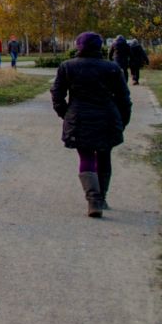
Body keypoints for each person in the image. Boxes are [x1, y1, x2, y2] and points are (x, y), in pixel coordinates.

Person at [51, 31, 133, 217]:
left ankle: (93, 200)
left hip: (80, 117)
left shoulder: (67, 67)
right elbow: (123, 98)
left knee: (86, 156)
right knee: (104, 156)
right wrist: (122, 120)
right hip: (107, 117)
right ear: (100, 46)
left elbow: (57, 94)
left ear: (78, 46)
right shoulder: (111, 68)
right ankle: (102, 197)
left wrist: (66, 114)